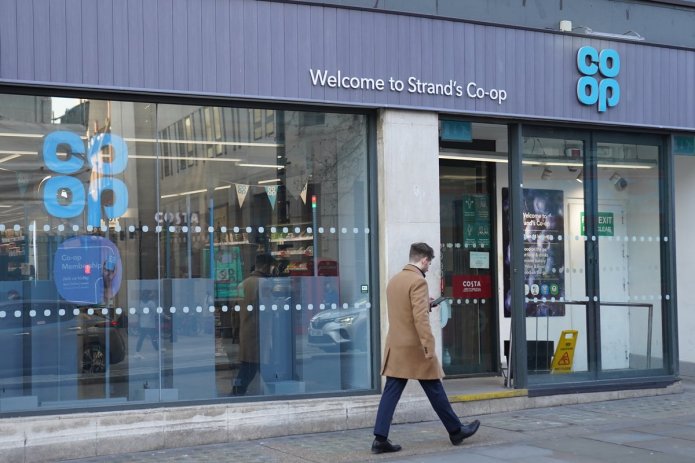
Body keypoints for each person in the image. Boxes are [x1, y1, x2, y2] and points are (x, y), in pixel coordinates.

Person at [371, 242, 480, 454]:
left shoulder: (395, 280)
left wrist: (426, 304)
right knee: (434, 388)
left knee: (391, 392)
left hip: (396, 346)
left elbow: (404, 310)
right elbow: (420, 319)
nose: (429, 267)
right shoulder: (418, 281)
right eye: (429, 263)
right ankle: (456, 431)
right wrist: (429, 346)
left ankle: (379, 438)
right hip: (415, 348)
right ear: (423, 260)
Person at [231, 253, 275, 396]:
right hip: (260, 332)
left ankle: (237, 393)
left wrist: (235, 331)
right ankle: (236, 394)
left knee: (251, 365)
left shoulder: (242, 284)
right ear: (266, 266)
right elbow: (269, 308)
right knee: (253, 367)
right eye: (272, 267)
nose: (272, 270)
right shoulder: (264, 283)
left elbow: (235, 310)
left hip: (245, 331)